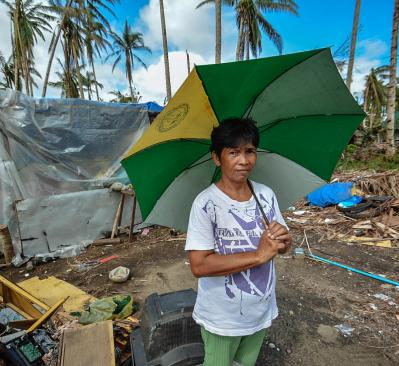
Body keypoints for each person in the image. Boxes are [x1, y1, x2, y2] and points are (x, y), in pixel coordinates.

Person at [185, 118, 291, 366]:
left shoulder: (265, 195)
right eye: (233, 152)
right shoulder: (205, 204)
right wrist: (258, 255)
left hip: (260, 311)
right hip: (223, 318)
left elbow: (284, 247)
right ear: (216, 157)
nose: (244, 161)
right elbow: (199, 266)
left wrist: (284, 240)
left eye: (250, 151)